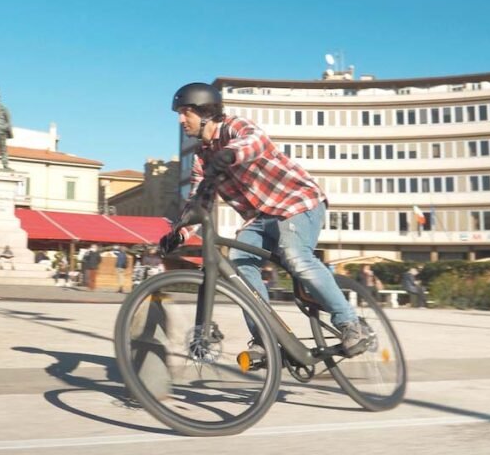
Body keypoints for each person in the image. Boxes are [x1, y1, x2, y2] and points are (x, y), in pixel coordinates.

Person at [158, 82, 368, 356]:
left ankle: (350, 323)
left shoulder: (236, 126)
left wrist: (229, 154)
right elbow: (200, 202)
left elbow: (254, 142)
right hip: (259, 218)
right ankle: (264, 338)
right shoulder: (200, 159)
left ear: (205, 112)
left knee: (295, 256)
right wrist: (180, 233)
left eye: (185, 112)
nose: (180, 119)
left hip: (297, 202)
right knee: (239, 268)